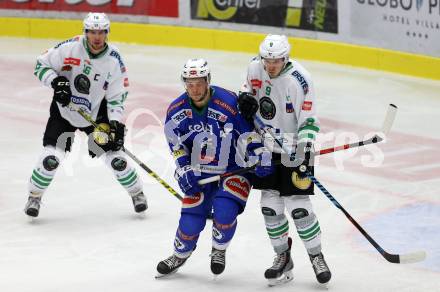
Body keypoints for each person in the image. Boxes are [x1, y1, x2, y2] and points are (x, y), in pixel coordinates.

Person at [156, 58, 272, 278]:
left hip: (234, 167)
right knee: (190, 222)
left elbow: (247, 134)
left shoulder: (228, 102)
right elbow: (176, 145)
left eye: (199, 82)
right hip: (200, 171)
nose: (195, 88)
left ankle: (219, 249)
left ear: (208, 80)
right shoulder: (176, 110)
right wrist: (183, 169)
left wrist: (260, 154)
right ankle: (179, 255)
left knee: (224, 212)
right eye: (190, 84)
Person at [25, 12, 147, 217]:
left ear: (107, 33)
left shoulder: (114, 59)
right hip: (64, 111)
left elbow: (117, 95)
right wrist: (56, 82)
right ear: (85, 32)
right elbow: (41, 65)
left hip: (96, 111)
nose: (97, 37)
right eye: (92, 32)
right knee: (50, 158)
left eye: (101, 32)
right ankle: (34, 196)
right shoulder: (69, 47)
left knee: (117, 159)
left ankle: (137, 193)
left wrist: (115, 124)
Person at [238, 34, 331, 286]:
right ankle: (282, 257)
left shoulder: (300, 79)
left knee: (299, 207)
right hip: (265, 148)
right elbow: (247, 93)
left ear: (285, 57)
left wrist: (302, 149)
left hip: (295, 147)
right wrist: (244, 99)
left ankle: (316, 256)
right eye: (267, 60)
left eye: (276, 61)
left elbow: (309, 119)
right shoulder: (254, 67)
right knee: (270, 207)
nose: (270, 66)